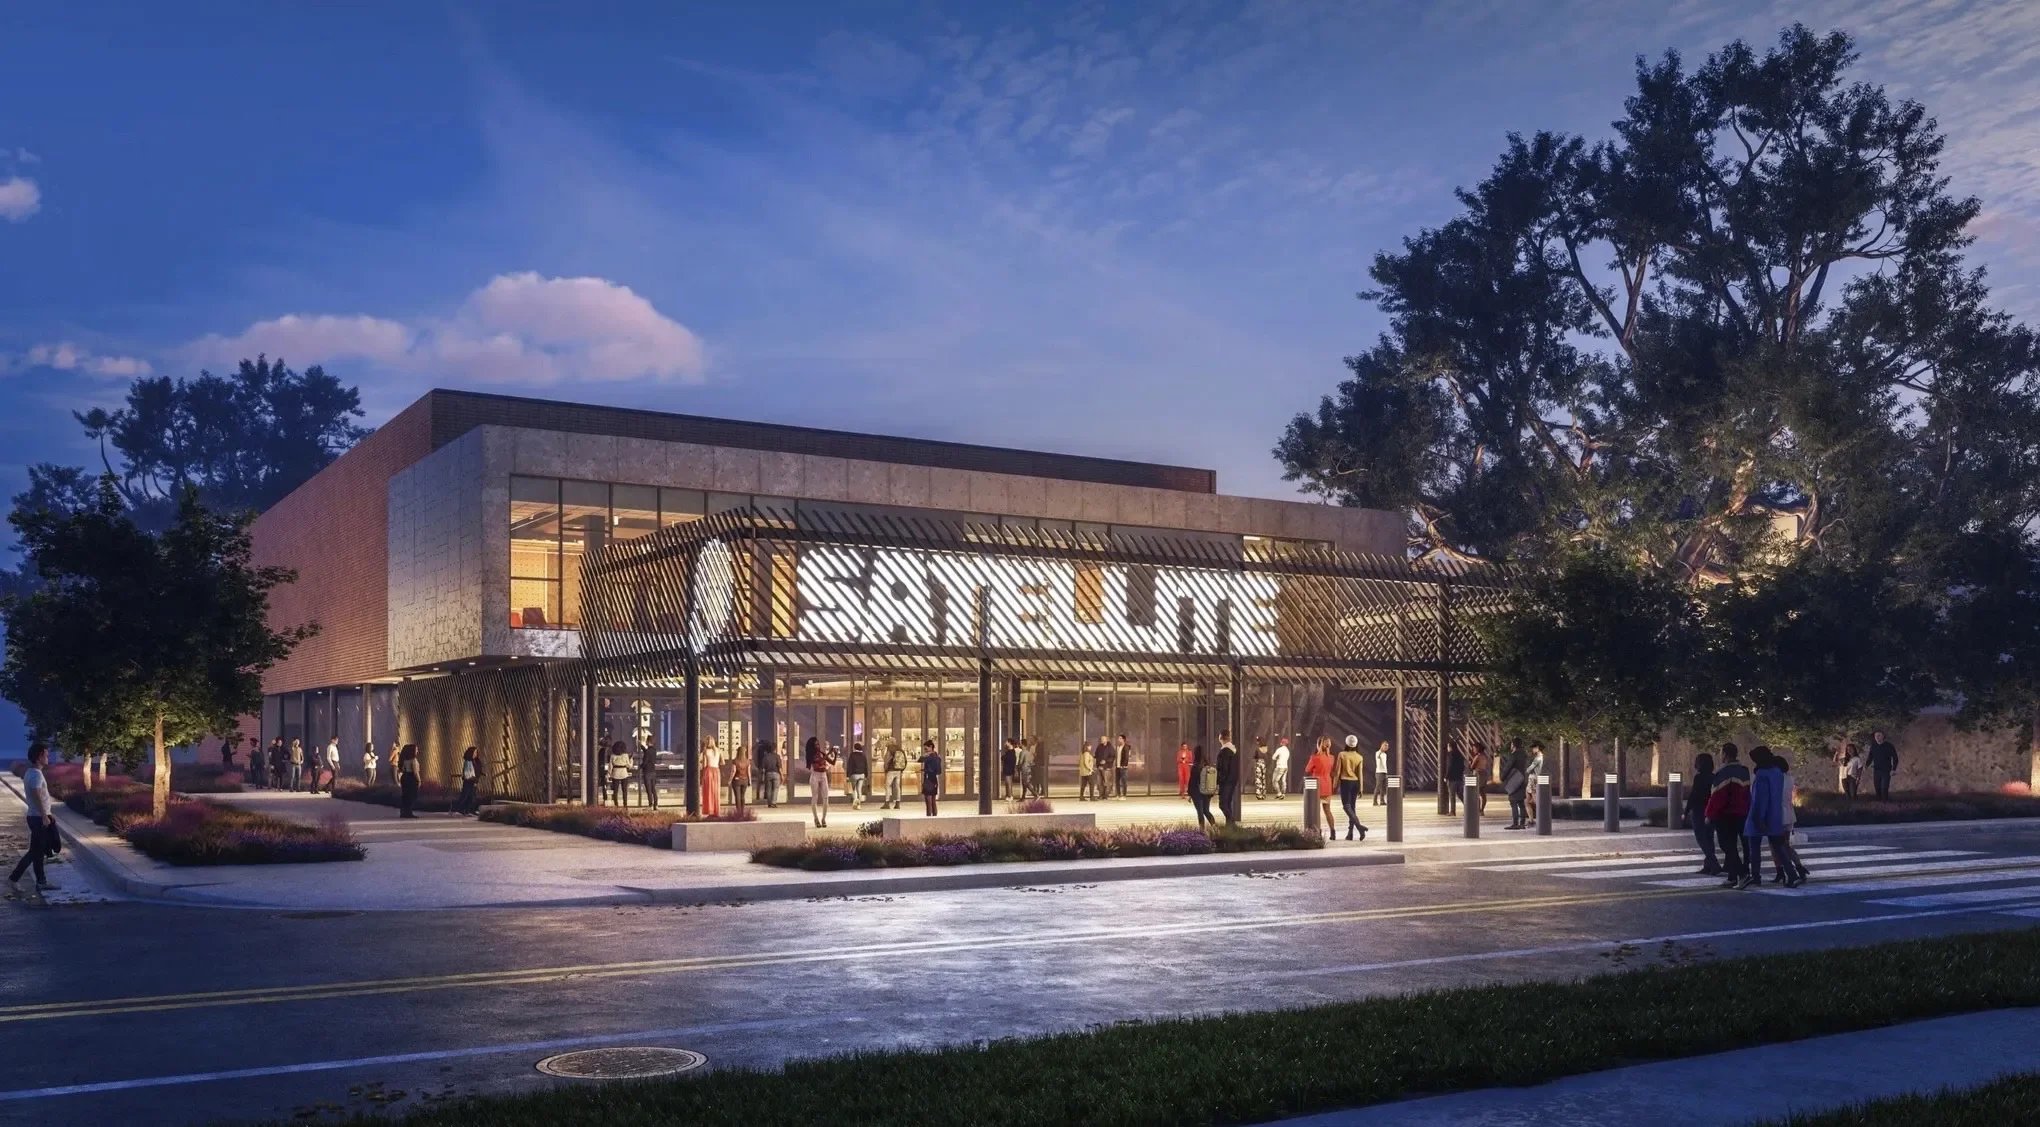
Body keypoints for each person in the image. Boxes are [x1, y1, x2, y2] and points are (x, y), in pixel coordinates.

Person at [1744, 747, 1803, 889]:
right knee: (1779, 846)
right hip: (1775, 814)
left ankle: (1756, 876)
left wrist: (1759, 817)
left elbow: (1760, 798)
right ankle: (1792, 874)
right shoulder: (1777, 773)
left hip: (1760, 815)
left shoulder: (1762, 775)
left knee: (1754, 847)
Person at [8, 742, 59, 899]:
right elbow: (37, 793)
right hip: (38, 818)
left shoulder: (31, 772)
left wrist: (47, 813)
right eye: (46, 754)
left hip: (35, 816)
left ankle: (41, 881)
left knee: (37, 852)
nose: (48, 757)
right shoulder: (36, 774)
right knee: (35, 852)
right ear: (39, 757)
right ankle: (14, 878)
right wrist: (44, 815)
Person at [1704, 743, 1752, 888]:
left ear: (1725, 754)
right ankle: (1732, 877)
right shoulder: (1743, 771)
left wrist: (1709, 814)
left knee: (1727, 845)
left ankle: (1742, 874)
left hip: (1726, 814)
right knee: (1735, 845)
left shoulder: (1723, 773)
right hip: (1742, 813)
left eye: (1721, 752)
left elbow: (1718, 797)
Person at [1687, 753, 1718, 875]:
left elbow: (1694, 794)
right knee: (1709, 838)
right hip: (1710, 810)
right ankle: (1708, 865)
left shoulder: (1699, 778)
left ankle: (1713, 863)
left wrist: (1686, 810)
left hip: (1699, 810)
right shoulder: (1714, 777)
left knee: (1701, 838)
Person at [1333, 735, 1369, 841]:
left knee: (1346, 806)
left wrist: (1334, 784)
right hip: (1356, 783)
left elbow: (1338, 771)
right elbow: (1360, 774)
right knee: (1352, 808)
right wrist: (1361, 788)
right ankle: (1350, 833)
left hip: (1346, 782)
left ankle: (1359, 827)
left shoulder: (1342, 754)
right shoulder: (1359, 757)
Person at [1304, 738, 1336, 838]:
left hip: (1316, 786)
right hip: (1327, 785)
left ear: (1318, 745)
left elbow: (1307, 769)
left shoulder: (1314, 757)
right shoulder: (1331, 757)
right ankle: (1333, 832)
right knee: (1327, 810)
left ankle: (1317, 832)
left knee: (1315, 811)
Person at [804, 737, 837, 828]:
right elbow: (819, 762)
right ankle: (816, 818)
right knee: (815, 797)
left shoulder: (822, 753)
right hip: (815, 775)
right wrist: (829, 753)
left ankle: (823, 818)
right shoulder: (812, 755)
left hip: (823, 776)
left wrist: (835, 754)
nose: (818, 746)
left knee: (826, 797)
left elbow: (832, 763)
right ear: (812, 746)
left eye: (818, 744)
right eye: (816, 745)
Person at [1188, 745, 1217, 827]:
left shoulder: (1195, 766)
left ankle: (1202, 831)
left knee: (1200, 812)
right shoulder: (1207, 765)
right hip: (1207, 792)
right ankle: (1215, 827)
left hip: (1197, 792)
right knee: (1206, 811)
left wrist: (1190, 794)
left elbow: (1192, 781)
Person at [1215, 732, 1241, 825]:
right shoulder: (1234, 750)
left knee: (1222, 804)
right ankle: (1229, 826)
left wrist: (1219, 780)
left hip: (1225, 781)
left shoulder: (1224, 751)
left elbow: (1223, 768)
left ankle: (1232, 823)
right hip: (1233, 780)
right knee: (1228, 803)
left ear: (1221, 738)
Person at [1502, 742, 1529, 829]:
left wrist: (1503, 777)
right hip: (1522, 779)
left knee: (1513, 802)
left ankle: (1515, 823)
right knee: (1521, 803)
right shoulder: (1524, 755)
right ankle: (1522, 823)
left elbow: (1508, 767)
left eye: (1511, 744)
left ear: (1514, 745)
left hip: (1514, 780)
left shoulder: (1514, 755)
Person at [1866, 730, 1898, 800]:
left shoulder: (1889, 746)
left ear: (1883, 736)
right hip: (1876, 770)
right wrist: (1866, 765)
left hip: (1886, 770)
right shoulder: (1873, 746)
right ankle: (1879, 804)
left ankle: (1885, 803)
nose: (1877, 737)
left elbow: (1895, 758)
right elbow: (1870, 757)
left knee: (1884, 788)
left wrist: (1893, 769)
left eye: (1879, 735)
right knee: (1877, 788)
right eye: (1875, 736)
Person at [919, 738, 944, 816]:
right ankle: (934, 816)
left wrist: (925, 770)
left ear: (930, 747)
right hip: (934, 779)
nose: (925, 750)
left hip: (928, 779)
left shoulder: (929, 757)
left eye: (926, 748)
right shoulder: (938, 757)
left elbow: (920, 760)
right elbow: (938, 771)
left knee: (928, 801)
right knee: (933, 800)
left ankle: (928, 816)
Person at [1465, 740, 1491, 814]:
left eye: (1473, 748)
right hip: (1484, 774)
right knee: (1482, 793)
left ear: (1477, 748)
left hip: (1477, 774)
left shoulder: (1477, 757)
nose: (1473, 750)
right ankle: (1482, 810)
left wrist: (1470, 763)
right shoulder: (1484, 756)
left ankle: (1478, 809)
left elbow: (1472, 767)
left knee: (1476, 793)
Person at [397, 743, 421, 818]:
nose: (417, 751)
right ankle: (408, 812)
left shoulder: (404, 760)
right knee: (412, 795)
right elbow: (415, 772)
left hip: (404, 777)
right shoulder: (413, 760)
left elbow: (401, 770)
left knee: (405, 795)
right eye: (416, 749)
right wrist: (419, 780)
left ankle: (403, 812)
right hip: (411, 778)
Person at [1525, 742, 1547, 822]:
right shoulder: (1539, 757)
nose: (1532, 750)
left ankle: (1541, 818)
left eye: (1533, 748)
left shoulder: (1538, 758)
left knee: (1535, 800)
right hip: (1533, 779)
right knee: (1527, 801)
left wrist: (1526, 769)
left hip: (1533, 779)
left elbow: (1529, 769)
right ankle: (1531, 820)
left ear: (1537, 748)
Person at [700, 738, 721, 818]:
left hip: (708, 771)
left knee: (708, 791)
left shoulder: (705, 751)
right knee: (716, 791)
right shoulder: (718, 751)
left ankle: (710, 810)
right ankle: (716, 810)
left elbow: (704, 764)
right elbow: (722, 762)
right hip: (716, 771)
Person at [845, 741, 869, 811]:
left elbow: (850, 766)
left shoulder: (852, 755)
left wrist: (848, 775)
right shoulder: (863, 755)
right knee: (859, 790)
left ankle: (855, 803)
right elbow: (866, 766)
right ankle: (859, 805)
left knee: (854, 789)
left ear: (854, 748)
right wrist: (866, 775)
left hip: (854, 774)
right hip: (862, 774)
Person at [881, 740, 906, 810]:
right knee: (897, 786)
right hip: (898, 770)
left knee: (887, 786)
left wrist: (885, 768)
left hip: (891, 770)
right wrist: (902, 770)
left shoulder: (890, 749)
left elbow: (886, 759)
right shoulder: (900, 749)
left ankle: (887, 803)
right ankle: (897, 803)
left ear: (890, 742)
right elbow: (905, 760)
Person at [455, 747, 480, 816]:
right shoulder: (468, 762)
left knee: (472, 796)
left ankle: (469, 810)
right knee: (466, 795)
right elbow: (467, 773)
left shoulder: (475, 761)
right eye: (474, 752)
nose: (476, 754)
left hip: (473, 781)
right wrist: (473, 779)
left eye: (476, 752)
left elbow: (476, 771)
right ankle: (462, 809)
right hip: (469, 781)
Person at [1442, 741, 1465, 815]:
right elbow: (1463, 767)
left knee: (1452, 795)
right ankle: (1469, 807)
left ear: (1451, 747)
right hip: (1459, 778)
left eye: (1449, 746)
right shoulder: (1460, 755)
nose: (1448, 748)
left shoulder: (1450, 755)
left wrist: (1446, 776)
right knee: (1460, 794)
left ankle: (1452, 811)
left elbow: (1449, 767)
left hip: (1452, 779)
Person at [758, 740, 782, 808]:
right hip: (776, 774)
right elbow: (779, 767)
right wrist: (782, 775)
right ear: (775, 748)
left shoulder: (765, 757)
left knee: (768, 789)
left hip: (768, 774)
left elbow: (763, 768)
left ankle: (769, 803)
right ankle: (773, 803)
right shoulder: (777, 756)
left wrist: (762, 776)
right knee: (775, 789)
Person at [639, 739, 660, 811]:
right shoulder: (654, 751)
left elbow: (645, 761)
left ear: (649, 742)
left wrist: (640, 766)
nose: (646, 742)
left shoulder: (648, 751)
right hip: (653, 771)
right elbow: (648, 753)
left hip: (647, 771)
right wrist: (642, 747)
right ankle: (656, 805)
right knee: (653, 789)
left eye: (646, 741)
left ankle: (650, 804)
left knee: (649, 789)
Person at [728, 747, 750, 813]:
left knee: (737, 796)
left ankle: (738, 811)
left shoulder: (735, 761)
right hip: (745, 779)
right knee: (742, 796)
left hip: (737, 780)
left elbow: (733, 771)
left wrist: (730, 780)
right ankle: (742, 810)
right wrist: (750, 780)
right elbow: (749, 772)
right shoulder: (747, 761)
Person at [1113, 734, 1132, 799]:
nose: (1119, 740)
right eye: (1119, 738)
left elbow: (1126, 757)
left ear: (1124, 739)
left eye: (1120, 738)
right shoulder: (1118, 747)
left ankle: (1124, 795)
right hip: (1118, 767)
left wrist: (1123, 765)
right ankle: (1118, 795)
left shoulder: (1126, 747)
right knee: (1117, 781)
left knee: (1124, 781)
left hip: (1123, 767)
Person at [1372, 740, 1390, 805]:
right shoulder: (1378, 753)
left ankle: (1382, 801)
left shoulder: (1385, 754)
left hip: (1384, 772)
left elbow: (1384, 764)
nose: (1386, 747)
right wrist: (1381, 751)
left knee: (1383, 788)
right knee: (1378, 787)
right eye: (1385, 745)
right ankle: (1374, 801)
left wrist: (1386, 772)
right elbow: (1378, 762)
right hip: (1379, 772)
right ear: (1381, 746)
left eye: (1387, 746)